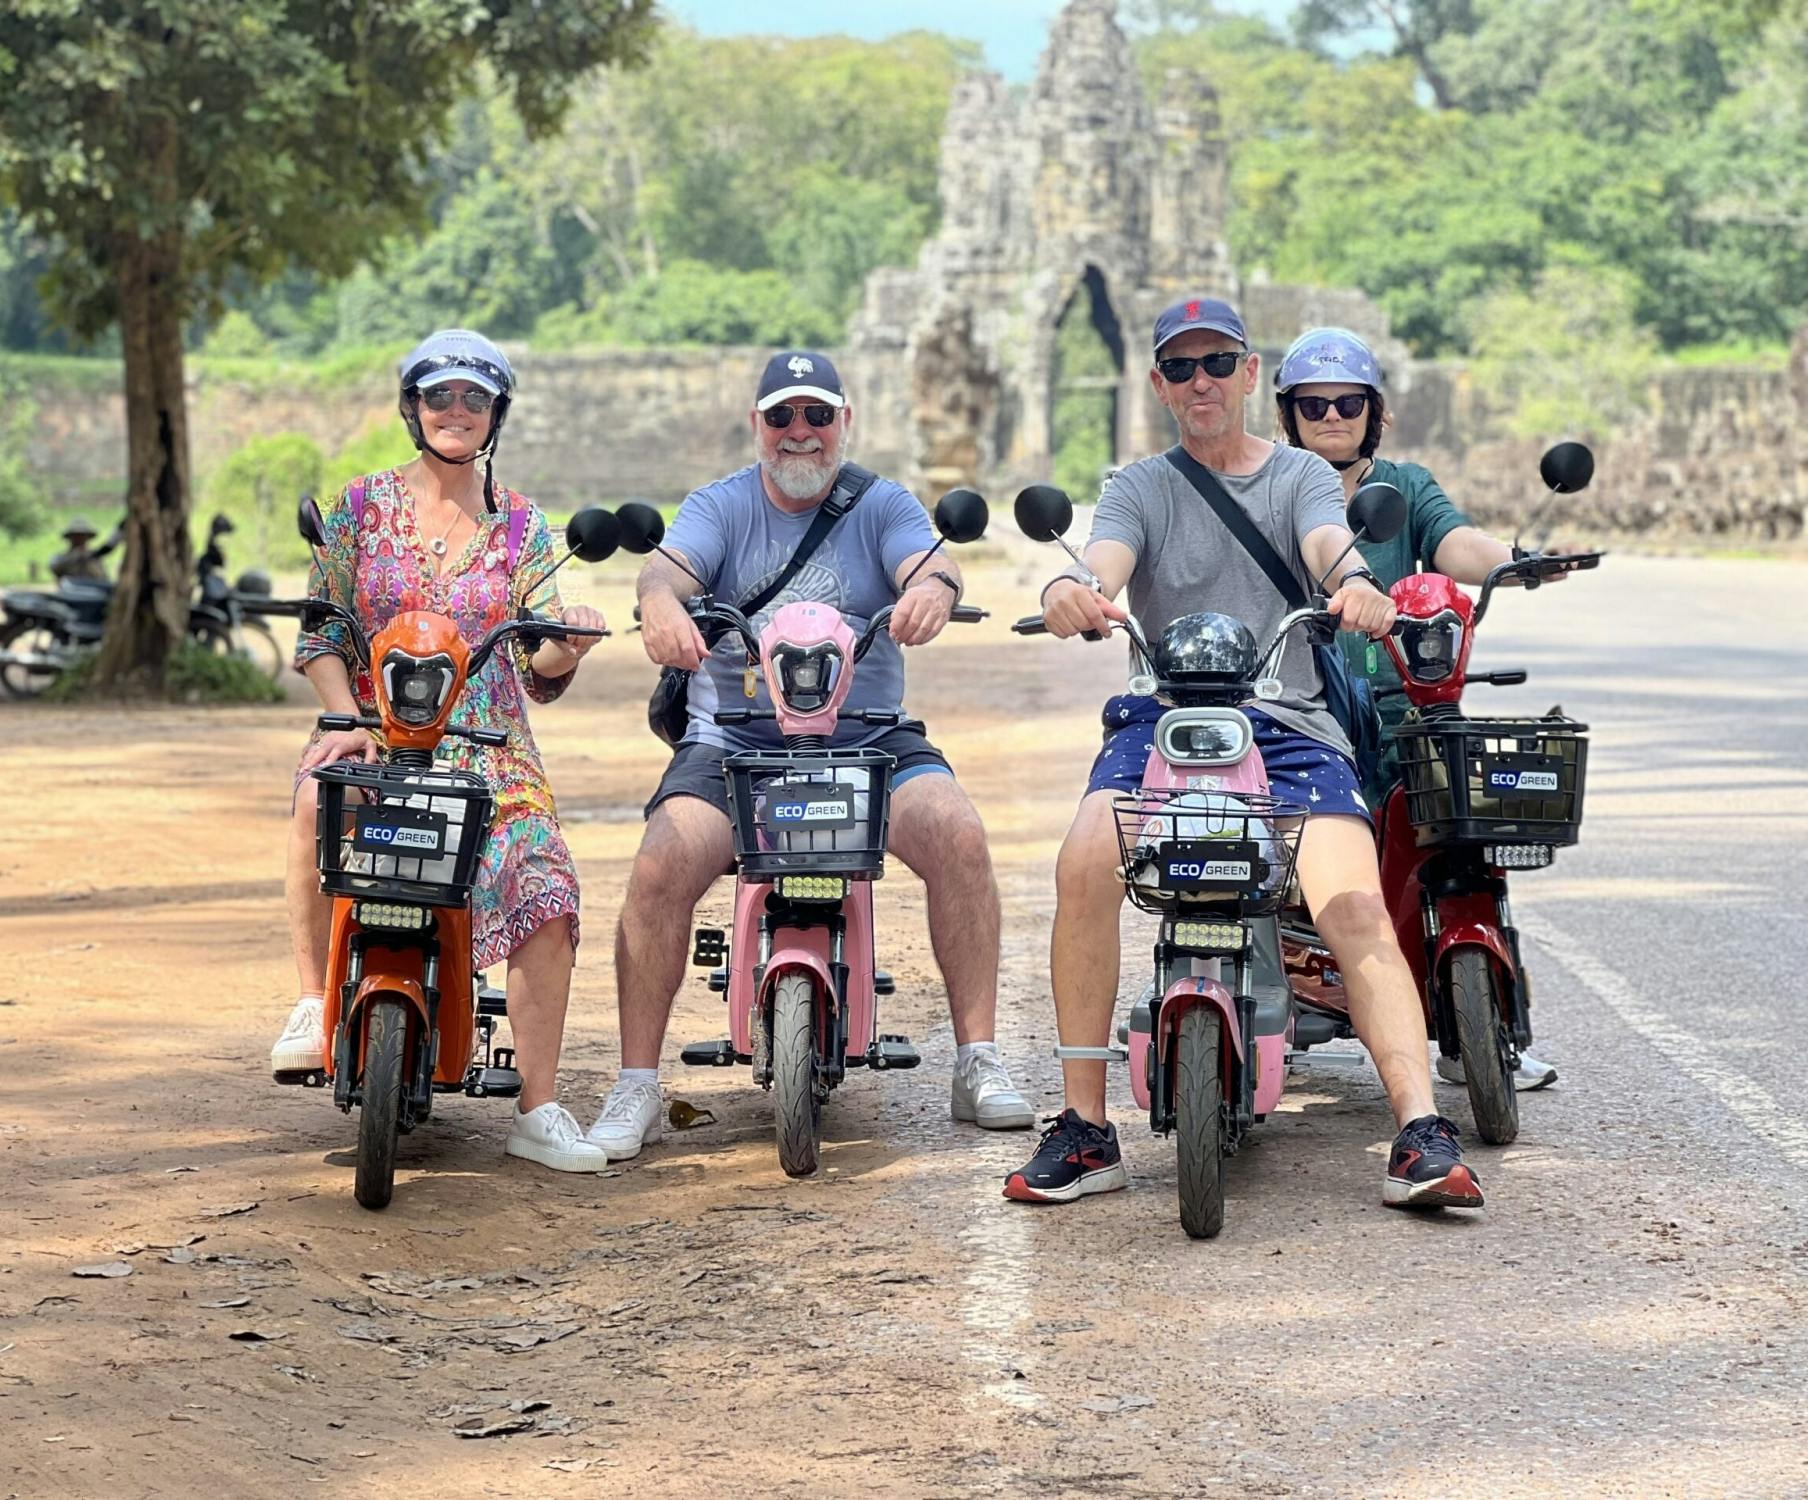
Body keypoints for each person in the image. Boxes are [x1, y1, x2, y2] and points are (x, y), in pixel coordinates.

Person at [1004, 297, 1484, 1211]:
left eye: (1217, 363)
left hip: (1287, 724)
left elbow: (1329, 544)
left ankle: (1419, 1129)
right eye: (1180, 369)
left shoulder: (1303, 474)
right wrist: (1071, 587)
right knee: (1082, 868)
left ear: (1249, 372)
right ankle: (1083, 1125)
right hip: (1161, 718)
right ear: (1158, 384)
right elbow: (1103, 561)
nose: (1201, 383)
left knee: (1352, 904)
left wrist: (1353, 585)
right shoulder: (1137, 486)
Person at [585, 349, 1032, 1159]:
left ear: (843, 424)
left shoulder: (883, 503)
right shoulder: (719, 506)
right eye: (782, 416)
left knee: (960, 836)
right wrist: (658, 607)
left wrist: (934, 589)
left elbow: (930, 561)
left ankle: (978, 1059)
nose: (800, 433)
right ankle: (636, 1082)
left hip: (867, 735)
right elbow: (665, 571)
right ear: (756, 425)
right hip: (735, 741)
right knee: (658, 865)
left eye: (817, 416)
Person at [268, 329, 612, 1173]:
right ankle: (315, 1005)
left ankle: (538, 1106)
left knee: (545, 876)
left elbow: (540, 662)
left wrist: (570, 644)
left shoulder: (525, 525)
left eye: (474, 398)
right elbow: (321, 630)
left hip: (488, 749)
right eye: (439, 396)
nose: (455, 412)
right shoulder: (357, 507)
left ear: (496, 413)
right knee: (319, 796)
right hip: (377, 736)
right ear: (411, 408)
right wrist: (343, 717)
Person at [1275, 326, 1558, 1092]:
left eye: (1346, 403)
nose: (1330, 417)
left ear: (1376, 413)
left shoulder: (1405, 485)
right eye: (1312, 405)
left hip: (1412, 708)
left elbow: (1453, 539)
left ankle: (1496, 1021)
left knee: (1465, 840)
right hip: (1310, 715)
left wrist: (1513, 559)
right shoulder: (1272, 486)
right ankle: (1282, 991)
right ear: (1288, 415)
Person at [49, 517, 115, 583]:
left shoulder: (94, 558)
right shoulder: (61, 557)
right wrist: (74, 557)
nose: (79, 539)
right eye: (76, 536)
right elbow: (54, 567)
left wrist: (90, 564)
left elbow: (104, 579)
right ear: (70, 537)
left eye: (82, 536)